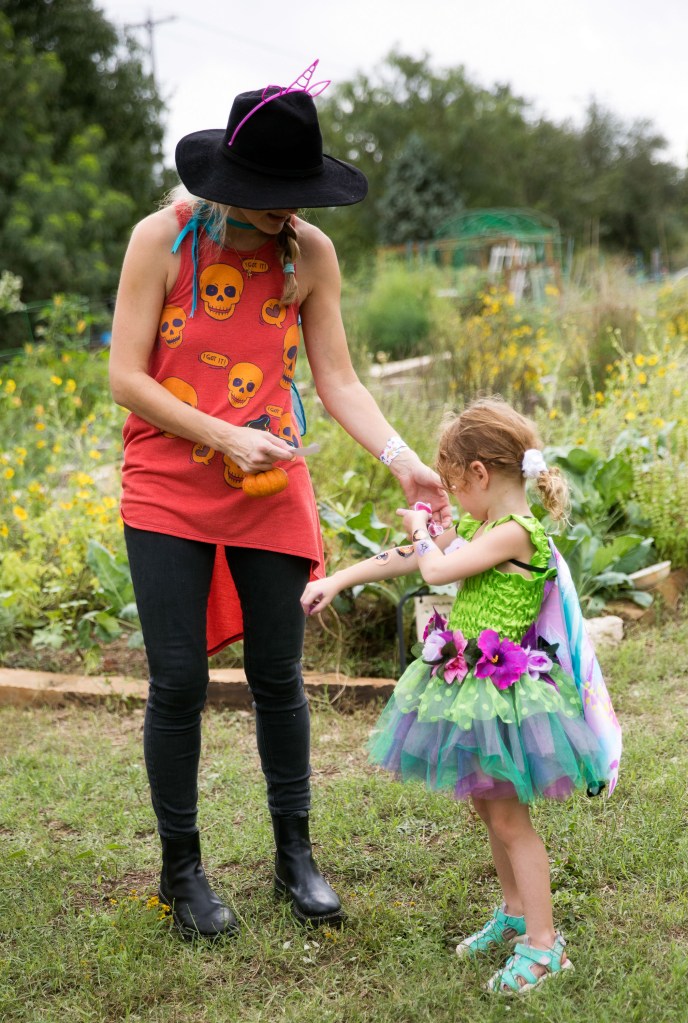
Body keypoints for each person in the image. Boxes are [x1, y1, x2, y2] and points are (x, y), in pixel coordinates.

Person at [108, 68, 449, 941]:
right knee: (178, 680)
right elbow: (125, 378)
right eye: (270, 197)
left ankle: (294, 854)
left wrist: (403, 459)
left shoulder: (307, 254)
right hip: (168, 480)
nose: (285, 213)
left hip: (269, 481)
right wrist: (220, 435)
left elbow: (335, 377)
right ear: (227, 179)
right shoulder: (163, 239)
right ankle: (180, 870)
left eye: (296, 198)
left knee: (278, 676)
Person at [301, 396, 621, 993]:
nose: (450, 495)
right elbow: (412, 561)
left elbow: (435, 571)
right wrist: (340, 577)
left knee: (510, 818)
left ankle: (545, 946)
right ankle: (515, 913)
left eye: (453, 482)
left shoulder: (516, 534)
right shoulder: (484, 526)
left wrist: (424, 528)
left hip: (504, 696)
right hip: (471, 688)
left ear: (479, 474)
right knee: (486, 804)